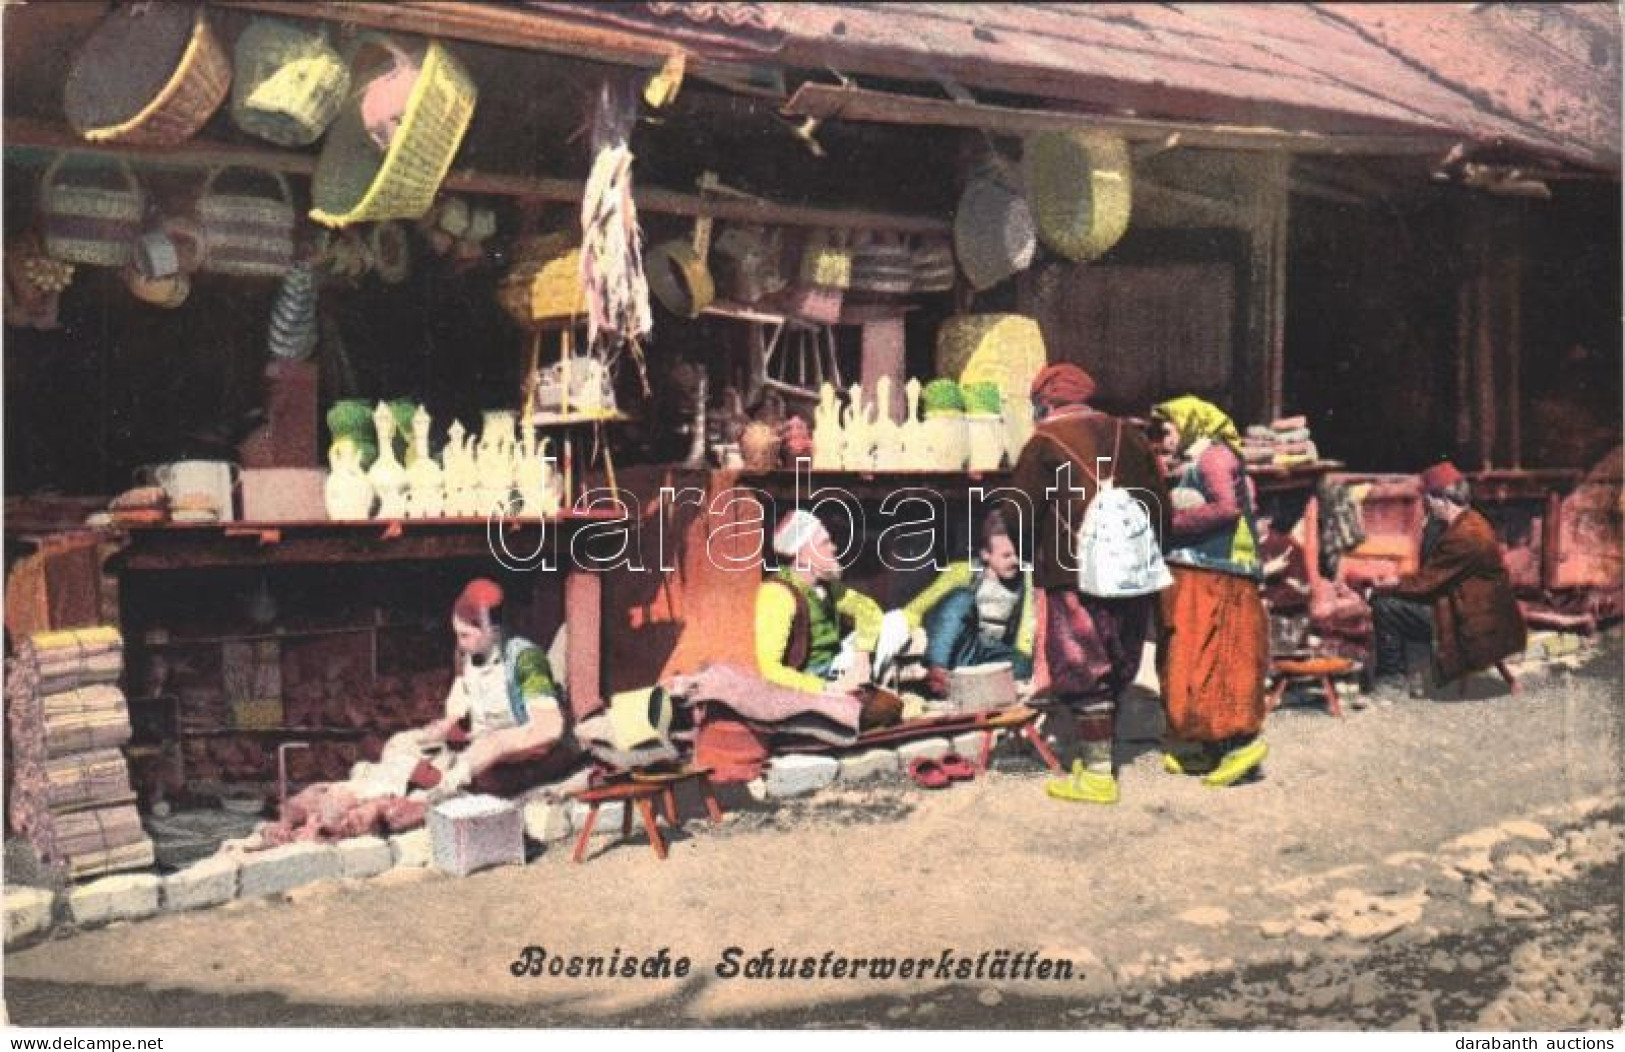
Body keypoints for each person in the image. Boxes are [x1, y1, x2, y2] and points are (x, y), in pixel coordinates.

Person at [999, 363, 1169, 805]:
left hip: (1071, 571)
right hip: (1132, 569)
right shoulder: (1130, 436)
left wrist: (1029, 553)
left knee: (1081, 662)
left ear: (1045, 401)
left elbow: (1018, 512)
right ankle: (1100, 760)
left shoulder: (1043, 442)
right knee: (1118, 657)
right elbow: (1160, 504)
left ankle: (1096, 775)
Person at [1150, 395, 1271, 788]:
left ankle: (1238, 746)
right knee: (1194, 656)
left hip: (1219, 574)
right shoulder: (1201, 458)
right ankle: (1206, 742)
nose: (1163, 438)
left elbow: (1226, 509)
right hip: (1199, 571)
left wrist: (1169, 521)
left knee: (1218, 658)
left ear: (1190, 424)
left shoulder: (1215, 458)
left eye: (1167, 430)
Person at [1368, 462, 1526, 696]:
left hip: (1474, 625)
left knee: (1385, 607)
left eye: (1429, 501)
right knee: (1397, 602)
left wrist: (1386, 587)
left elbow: (1426, 584)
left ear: (1441, 499)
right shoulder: (1471, 521)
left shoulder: (1464, 536)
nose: (1427, 507)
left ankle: (1392, 680)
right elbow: (1435, 576)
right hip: (1484, 617)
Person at [411, 578, 577, 798]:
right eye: (457, 634)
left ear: (491, 630)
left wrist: (496, 744)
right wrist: (446, 724)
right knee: (405, 750)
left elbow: (549, 728)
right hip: (484, 748)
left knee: (480, 782)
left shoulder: (526, 659)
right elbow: (462, 692)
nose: (460, 643)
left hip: (534, 756)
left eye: (465, 635)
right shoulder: (467, 653)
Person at [902, 509, 1037, 696]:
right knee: (961, 598)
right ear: (985, 554)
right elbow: (913, 610)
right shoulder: (962, 571)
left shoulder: (1027, 579)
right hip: (955, 647)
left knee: (1023, 661)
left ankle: (989, 686)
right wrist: (912, 634)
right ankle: (936, 672)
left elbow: (1027, 629)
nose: (1014, 561)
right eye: (1006, 556)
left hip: (987, 655)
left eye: (1018, 555)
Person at [755, 509, 885, 694]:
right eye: (824, 543)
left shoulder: (828, 587)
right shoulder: (777, 594)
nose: (833, 548)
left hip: (833, 668)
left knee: (896, 623)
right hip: (806, 680)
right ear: (801, 554)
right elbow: (767, 668)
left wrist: (861, 657)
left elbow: (869, 610)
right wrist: (827, 688)